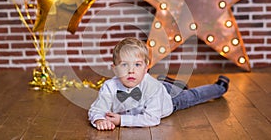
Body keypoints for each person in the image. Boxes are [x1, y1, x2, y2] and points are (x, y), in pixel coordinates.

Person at [88, 37, 230, 131]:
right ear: (115, 68)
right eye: (124, 65)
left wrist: (121, 120)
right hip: (157, 87)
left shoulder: (152, 87)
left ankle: (219, 87)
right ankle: (168, 82)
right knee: (161, 84)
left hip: (169, 101)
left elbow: (152, 118)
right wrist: (99, 119)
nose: (131, 71)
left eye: (137, 65)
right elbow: (96, 109)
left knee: (192, 96)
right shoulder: (109, 86)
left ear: (146, 67)